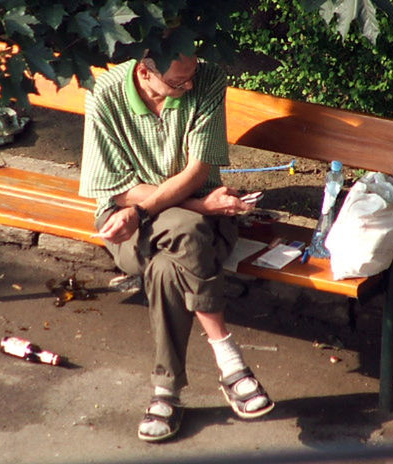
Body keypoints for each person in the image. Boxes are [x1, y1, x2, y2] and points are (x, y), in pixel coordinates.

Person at [79, 52, 274, 442]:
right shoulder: (104, 92)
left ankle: (165, 392)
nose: (186, 88)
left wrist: (161, 208)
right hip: (127, 223)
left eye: (189, 79)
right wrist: (200, 205)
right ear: (143, 72)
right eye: (176, 84)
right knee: (186, 228)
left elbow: (198, 171)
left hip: (196, 224)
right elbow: (117, 188)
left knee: (169, 264)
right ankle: (229, 360)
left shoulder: (208, 78)